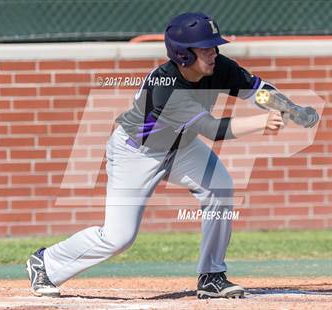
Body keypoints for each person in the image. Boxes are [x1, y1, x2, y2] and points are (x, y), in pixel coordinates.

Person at [26, 12, 285, 299]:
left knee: (219, 187)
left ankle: (212, 275)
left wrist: (287, 106)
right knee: (118, 237)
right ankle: (46, 262)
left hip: (181, 145)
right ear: (183, 54)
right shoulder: (166, 87)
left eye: (213, 46)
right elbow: (212, 130)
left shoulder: (218, 66)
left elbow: (257, 91)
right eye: (205, 48)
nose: (213, 53)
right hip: (137, 152)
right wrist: (262, 122)